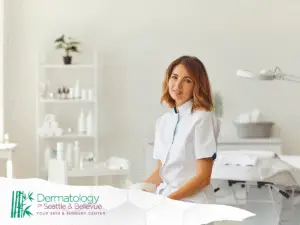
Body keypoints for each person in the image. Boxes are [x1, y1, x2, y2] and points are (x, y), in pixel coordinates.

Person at [143, 55, 220, 204]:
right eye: (175, 77)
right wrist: (137, 192)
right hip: (168, 200)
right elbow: (160, 174)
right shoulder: (163, 122)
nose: (177, 86)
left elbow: (203, 178)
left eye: (187, 81)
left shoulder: (202, 119)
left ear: (197, 85)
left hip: (193, 204)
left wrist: (168, 202)